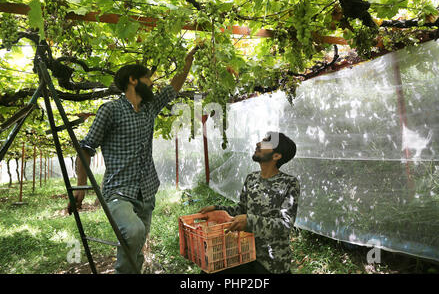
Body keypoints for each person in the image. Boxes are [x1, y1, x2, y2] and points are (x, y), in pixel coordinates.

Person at [67, 46, 199, 274]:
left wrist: (187, 64)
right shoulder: (110, 111)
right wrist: (80, 188)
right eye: (148, 78)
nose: (152, 83)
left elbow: (172, 88)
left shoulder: (149, 109)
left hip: (146, 191)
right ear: (133, 80)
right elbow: (86, 148)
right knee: (134, 231)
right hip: (118, 190)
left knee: (135, 246)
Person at [199, 132, 300, 274]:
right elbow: (241, 209)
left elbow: (285, 224)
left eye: (265, 143)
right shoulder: (251, 178)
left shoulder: (289, 183)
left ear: (276, 156)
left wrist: (250, 222)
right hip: (244, 252)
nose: (258, 144)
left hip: (271, 262)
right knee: (208, 271)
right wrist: (217, 209)